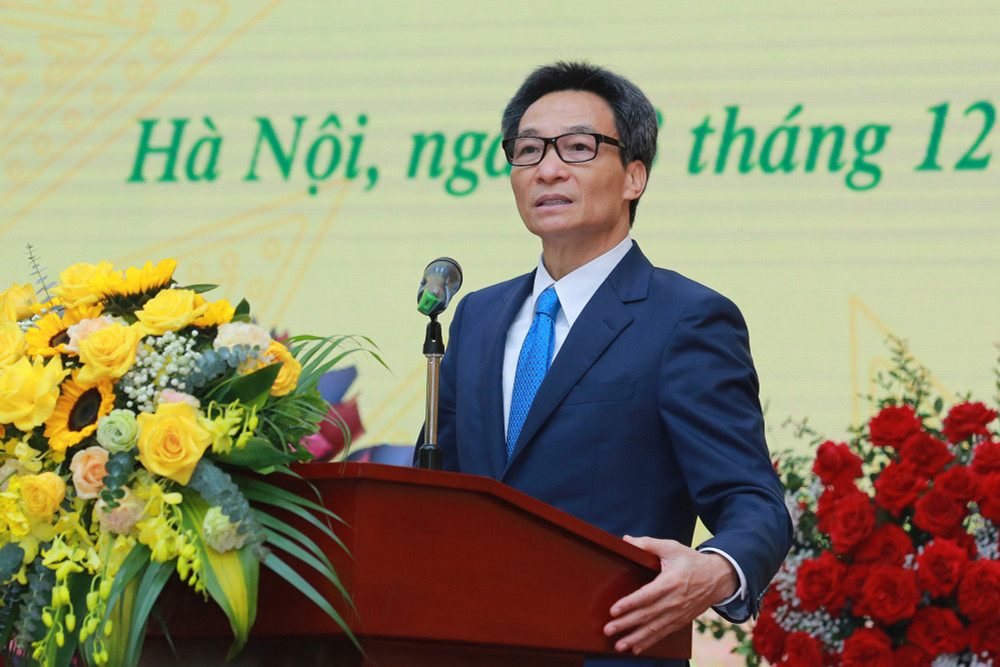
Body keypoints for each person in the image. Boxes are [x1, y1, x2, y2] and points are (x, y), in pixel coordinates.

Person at [420, 61, 791, 666]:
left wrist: (716, 570)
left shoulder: (686, 318)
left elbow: (751, 499)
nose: (547, 169)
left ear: (634, 177)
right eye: (528, 150)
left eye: (578, 147)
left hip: (610, 646)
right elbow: (438, 496)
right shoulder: (476, 317)